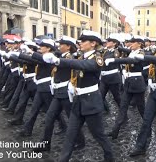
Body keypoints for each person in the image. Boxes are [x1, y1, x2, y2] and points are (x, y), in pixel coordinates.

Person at [42, 30, 115, 162]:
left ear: (93, 43)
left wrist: (58, 61)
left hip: (91, 102)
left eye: (83, 41)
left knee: (99, 135)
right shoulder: (82, 57)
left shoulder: (97, 58)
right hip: (78, 101)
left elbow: (82, 65)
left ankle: (110, 157)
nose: (80, 43)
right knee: (70, 136)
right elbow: (76, 66)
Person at [33, 37, 85, 152]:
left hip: (66, 93)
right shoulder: (60, 56)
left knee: (72, 119)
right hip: (57, 93)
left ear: (68, 47)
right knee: (49, 118)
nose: (59, 46)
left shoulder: (69, 57)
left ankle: (80, 141)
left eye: (62, 44)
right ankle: (46, 144)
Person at [16, 38, 66, 137]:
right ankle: (27, 130)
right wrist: (19, 55)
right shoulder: (43, 56)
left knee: (53, 111)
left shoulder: (50, 57)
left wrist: (27, 52)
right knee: (34, 109)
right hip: (40, 87)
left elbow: (35, 59)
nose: (40, 47)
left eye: (42, 46)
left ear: (48, 48)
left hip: (46, 87)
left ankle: (63, 126)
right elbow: (33, 59)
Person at [105, 35, 146, 139]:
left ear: (140, 44)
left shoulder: (141, 53)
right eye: (130, 42)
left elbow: (132, 61)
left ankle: (148, 129)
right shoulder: (132, 52)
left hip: (137, 84)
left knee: (142, 110)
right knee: (123, 107)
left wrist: (114, 60)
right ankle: (115, 131)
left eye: (133, 42)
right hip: (129, 82)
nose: (130, 44)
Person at [99, 33, 122, 111]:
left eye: (109, 41)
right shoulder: (105, 51)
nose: (107, 43)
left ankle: (123, 113)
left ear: (114, 43)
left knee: (117, 98)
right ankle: (106, 110)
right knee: (100, 96)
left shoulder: (116, 51)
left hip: (113, 78)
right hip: (104, 78)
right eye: (107, 41)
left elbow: (115, 59)